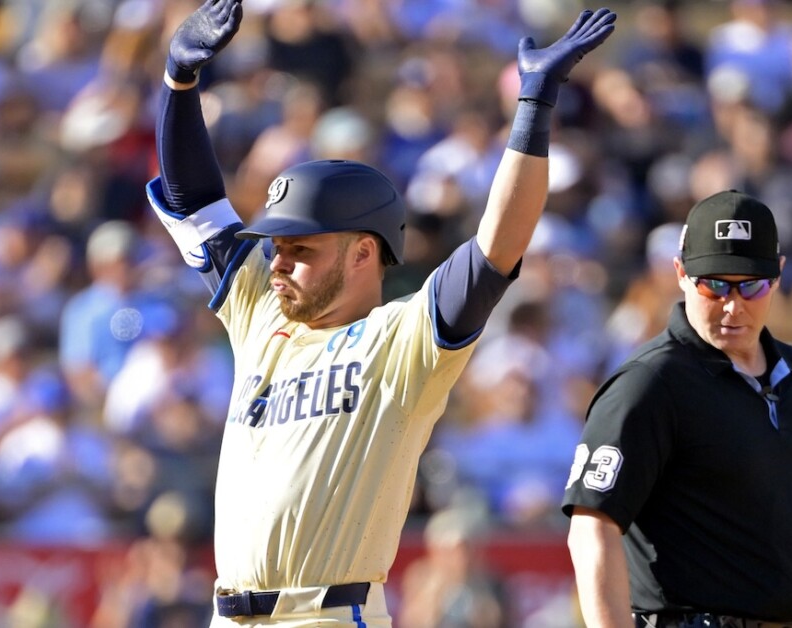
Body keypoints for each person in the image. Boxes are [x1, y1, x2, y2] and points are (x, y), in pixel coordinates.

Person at [148, 0, 615, 625]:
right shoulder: (261, 313)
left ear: (364, 251)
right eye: (277, 247)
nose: (278, 263)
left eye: (300, 248)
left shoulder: (402, 339)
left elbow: (497, 247)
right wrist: (179, 82)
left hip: (330, 615)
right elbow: (195, 201)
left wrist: (533, 108)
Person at [562, 190, 792, 628]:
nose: (732, 304)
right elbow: (593, 526)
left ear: (778, 276)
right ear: (681, 273)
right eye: (714, 284)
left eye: (751, 286)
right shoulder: (649, 383)